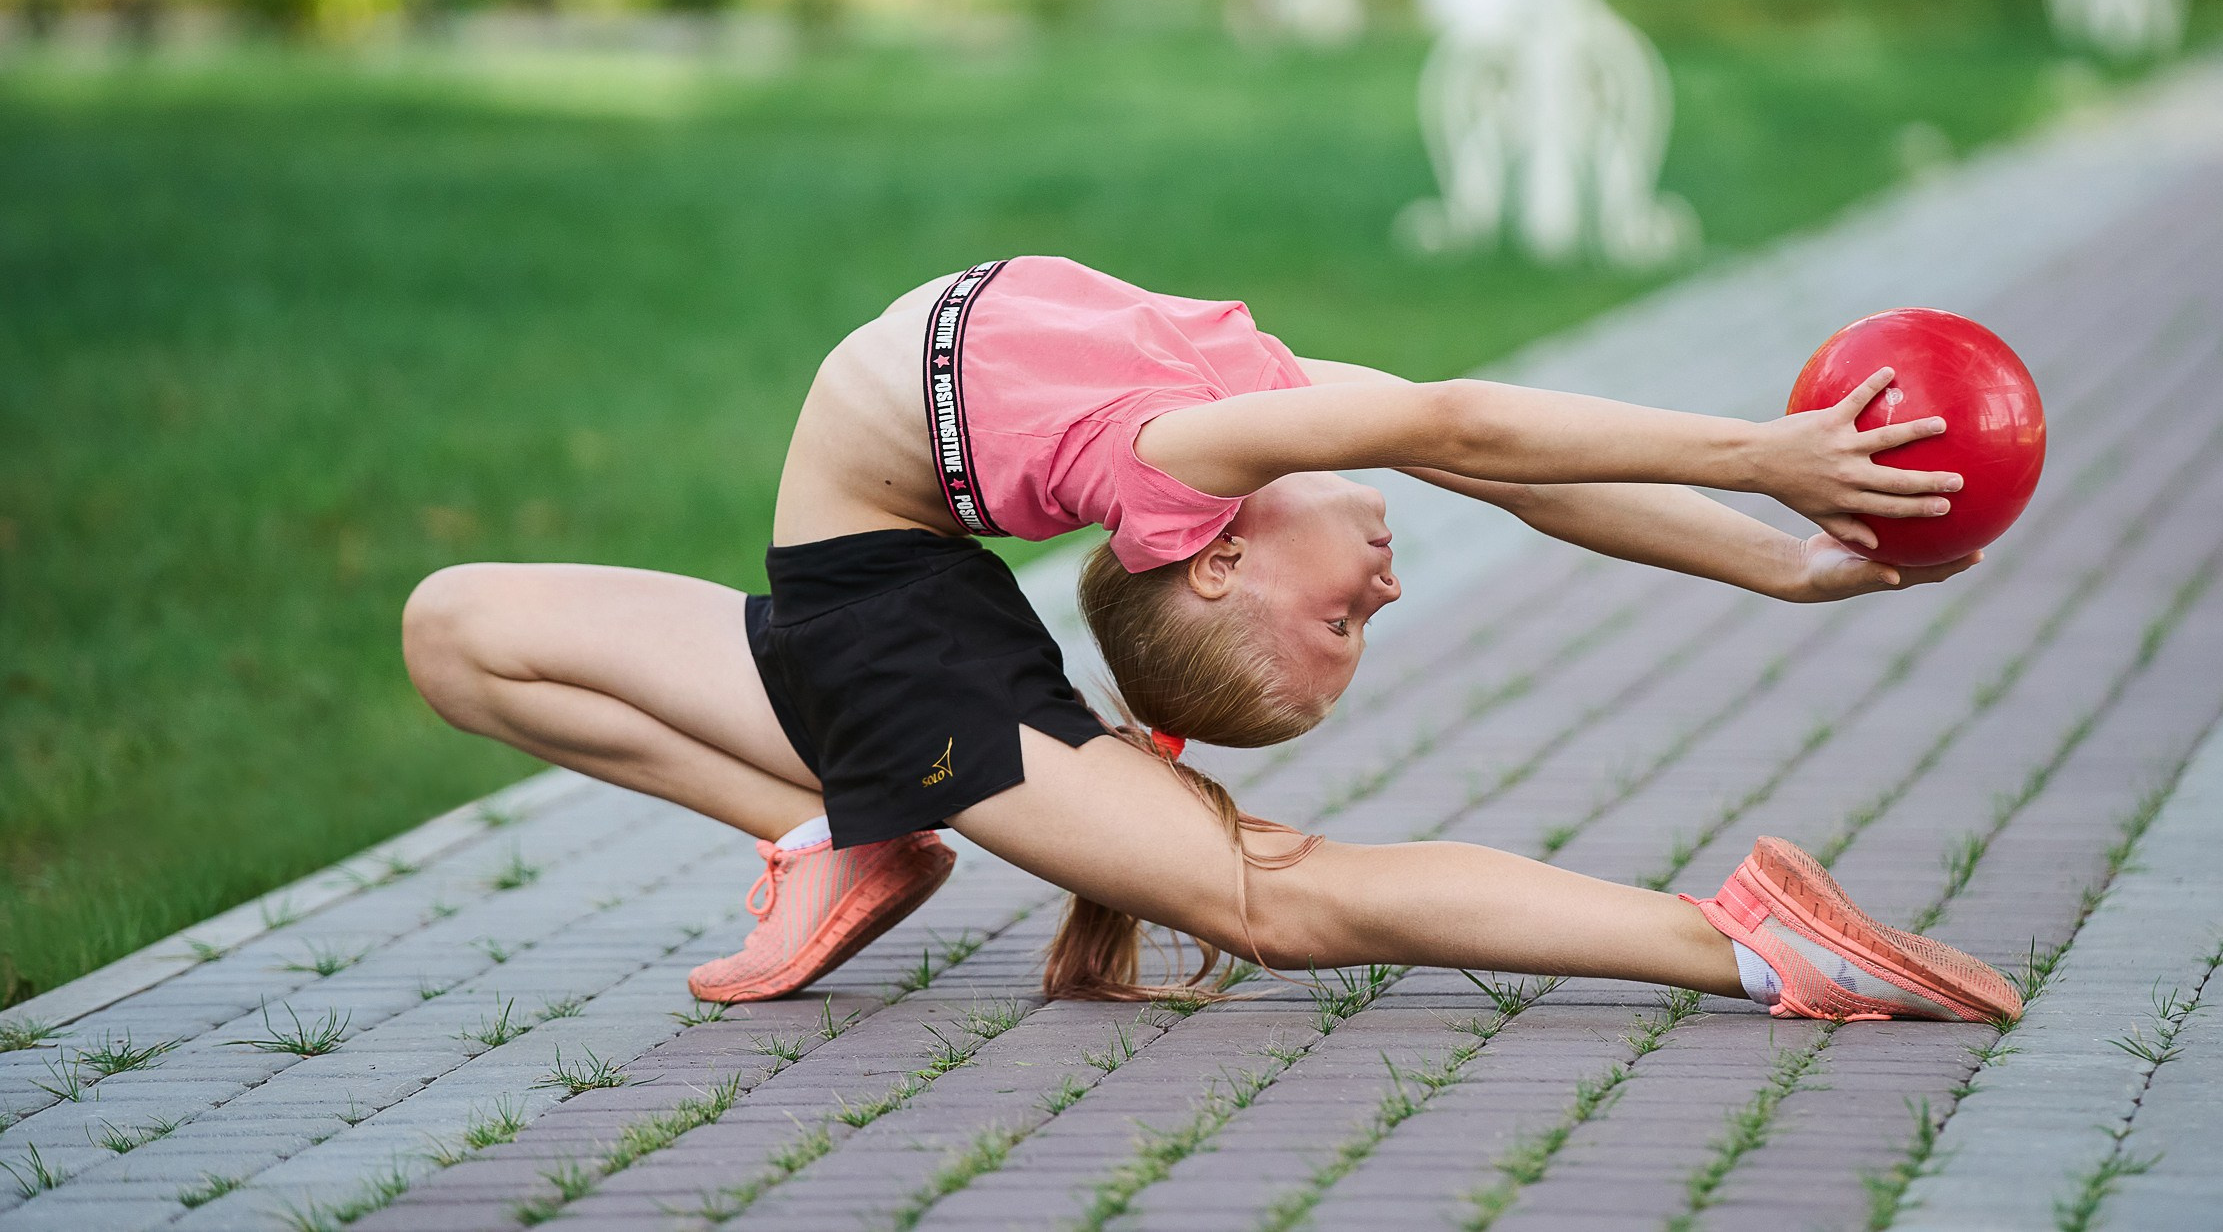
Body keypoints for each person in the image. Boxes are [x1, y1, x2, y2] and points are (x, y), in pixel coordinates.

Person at [403, 256, 2018, 1024]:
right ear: (1221, 566)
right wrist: (1760, 469)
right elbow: (1473, 434)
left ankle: (1739, 942)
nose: (1384, 591)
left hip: (886, 603)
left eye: (1347, 620)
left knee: (1260, 893)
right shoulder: (1204, 434)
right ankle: (843, 824)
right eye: (1354, 618)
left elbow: (1506, 467)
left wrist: (1780, 565)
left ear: (1214, 572)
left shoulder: (1199, 451)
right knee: (454, 632)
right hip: (883, 613)